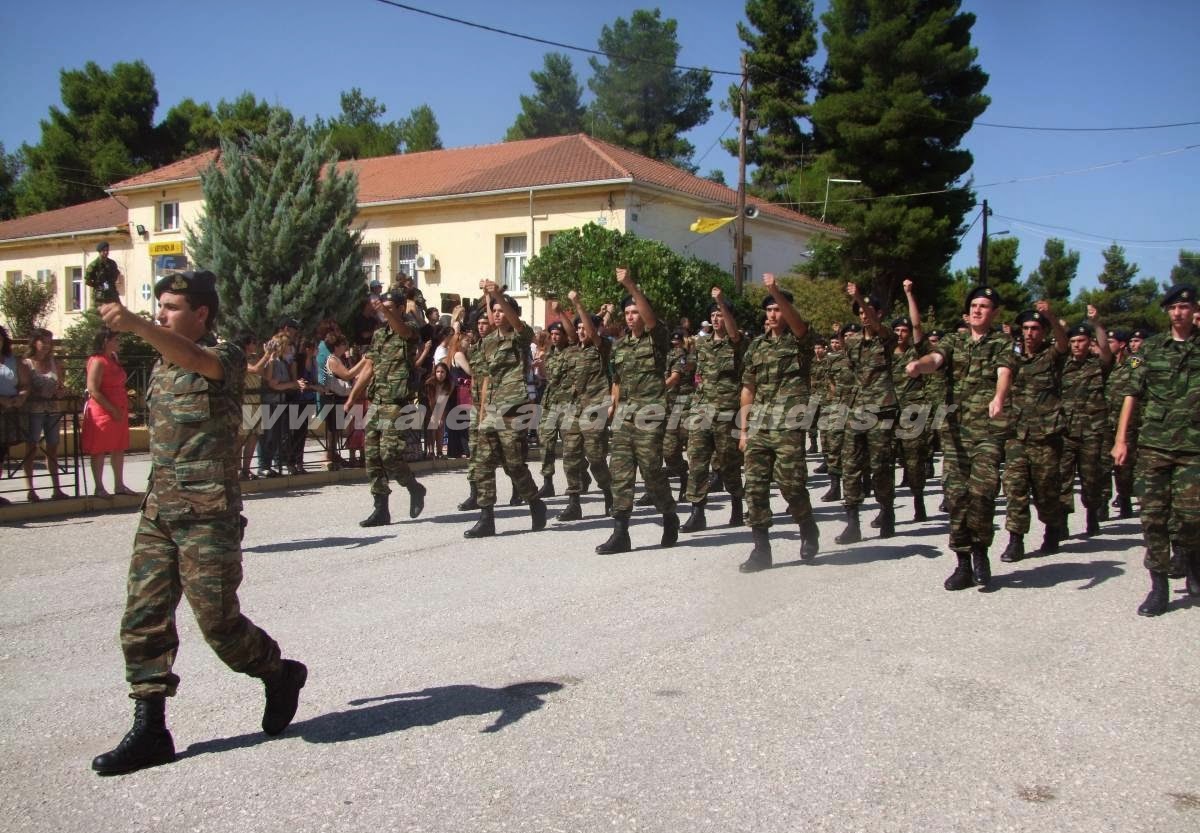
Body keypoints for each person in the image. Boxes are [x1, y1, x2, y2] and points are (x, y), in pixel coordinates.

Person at [91, 271, 306, 776]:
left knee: (220, 626)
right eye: (159, 306)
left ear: (201, 313)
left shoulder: (223, 356)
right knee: (142, 619)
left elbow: (196, 359)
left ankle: (279, 673)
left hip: (208, 516)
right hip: (159, 513)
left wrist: (136, 324)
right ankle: (151, 729)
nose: (161, 314)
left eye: (171, 307)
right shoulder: (161, 366)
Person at [905, 286, 1011, 590]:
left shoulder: (1002, 342)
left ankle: (980, 550)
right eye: (974, 305)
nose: (977, 310)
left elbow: (1004, 372)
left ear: (994, 313)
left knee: (982, 494)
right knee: (956, 497)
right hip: (954, 434)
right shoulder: (955, 340)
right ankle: (963, 562)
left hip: (986, 431)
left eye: (984, 306)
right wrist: (919, 366)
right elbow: (936, 358)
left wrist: (999, 397)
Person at [1112, 284, 1200, 616]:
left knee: (1192, 516)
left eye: (1185, 307)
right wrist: (1121, 439)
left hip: (1193, 446)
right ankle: (1159, 586)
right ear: (1167, 312)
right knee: (1153, 518)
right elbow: (1131, 393)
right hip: (1154, 445)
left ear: (1195, 310)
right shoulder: (1148, 350)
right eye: (1173, 308)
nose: (1178, 313)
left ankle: (1192, 559)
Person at [737, 273, 819, 572]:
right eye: (769, 309)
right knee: (755, 488)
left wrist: (775, 290)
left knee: (791, 485)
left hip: (788, 425)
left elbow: (800, 326)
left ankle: (807, 525)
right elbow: (748, 389)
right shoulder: (756, 347)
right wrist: (743, 430)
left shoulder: (799, 341)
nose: (773, 314)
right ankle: (761, 550)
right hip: (759, 424)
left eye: (778, 309)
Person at [595, 267, 679, 554]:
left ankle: (669, 514)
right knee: (620, 473)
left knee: (652, 471)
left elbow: (652, 320)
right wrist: (612, 406)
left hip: (649, 416)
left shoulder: (657, 339)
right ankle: (621, 533)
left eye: (635, 311)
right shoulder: (619, 347)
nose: (631, 316)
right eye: (627, 313)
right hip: (624, 417)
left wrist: (630, 285)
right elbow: (617, 381)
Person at [463, 282, 547, 537]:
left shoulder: (520, 337)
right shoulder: (487, 342)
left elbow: (518, 325)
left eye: (502, 310)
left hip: (514, 409)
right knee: (483, 463)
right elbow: (483, 378)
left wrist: (496, 295)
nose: (497, 314)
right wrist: (481, 413)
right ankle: (486, 517)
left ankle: (535, 502)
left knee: (514, 465)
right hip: (492, 410)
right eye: (495, 311)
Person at [349, 283, 427, 527]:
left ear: (401, 308)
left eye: (390, 307)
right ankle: (381, 508)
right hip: (378, 400)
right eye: (383, 307)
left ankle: (413, 487)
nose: (384, 311)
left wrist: (386, 311)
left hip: (397, 401)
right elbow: (369, 367)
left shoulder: (410, 328)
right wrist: (352, 397)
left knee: (390, 454)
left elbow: (403, 331)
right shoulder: (379, 334)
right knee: (372, 456)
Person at [997, 301, 1069, 563]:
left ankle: (1052, 528)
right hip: (1017, 434)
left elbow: (1063, 343)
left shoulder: (1052, 356)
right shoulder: (1011, 358)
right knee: (1015, 488)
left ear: (1044, 331)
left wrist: (1052, 316)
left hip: (1046, 436)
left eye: (1035, 328)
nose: (1030, 333)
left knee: (1046, 490)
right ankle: (1016, 540)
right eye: (1026, 328)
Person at [680, 287, 746, 532]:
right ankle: (697, 512)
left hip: (727, 412)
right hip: (702, 411)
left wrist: (721, 301)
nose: (716, 318)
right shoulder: (702, 344)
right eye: (713, 315)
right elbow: (696, 372)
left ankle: (737, 503)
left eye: (721, 314)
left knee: (728, 463)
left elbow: (734, 335)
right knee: (697, 461)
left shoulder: (737, 342)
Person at [837, 282, 899, 542]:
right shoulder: (852, 343)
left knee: (880, 465)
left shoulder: (887, 337)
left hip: (881, 409)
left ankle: (886, 511)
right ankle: (853, 522)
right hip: (856, 410)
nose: (863, 315)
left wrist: (859, 297)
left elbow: (877, 327)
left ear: (879, 313)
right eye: (860, 312)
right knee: (850, 466)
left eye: (868, 311)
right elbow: (849, 374)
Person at [555, 293, 614, 522]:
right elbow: (570, 331)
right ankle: (574, 503)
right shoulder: (572, 350)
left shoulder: (601, 348)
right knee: (570, 456)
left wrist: (578, 303)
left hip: (594, 409)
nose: (580, 331)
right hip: (573, 409)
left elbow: (592, 332)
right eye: (578, 328)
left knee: (596, 457)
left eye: (584, 328)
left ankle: (609, 494)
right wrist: (561, 312)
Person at [1059, 307, 1114, 537]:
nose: (1076, 345)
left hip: (1092, 431)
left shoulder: (1097, 365)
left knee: (1091, 478)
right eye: (1073, 341)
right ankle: (1061, 522)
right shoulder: (1062, 366)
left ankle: (1092, 513)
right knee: (1062, 478)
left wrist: (1097, 323)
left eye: (1080, 341)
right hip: (1066, 431)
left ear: (1089, 342)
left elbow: (1106, 351)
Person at [82, 328, 135, 497]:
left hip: (119, 408)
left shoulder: (113, 358)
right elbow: (93, 389)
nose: (119, 343)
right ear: (106, 341)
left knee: (118, 447)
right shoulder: (97, 361)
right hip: (103, 410)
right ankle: (99, 487)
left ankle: (119, 485)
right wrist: (111, 409)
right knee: (99, 449)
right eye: (116, 340)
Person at [21, 328, 70, 501]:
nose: (47, 346)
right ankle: (30, 489)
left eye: (50, 342)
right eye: (44, 342)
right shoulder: (27, 364)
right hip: (34, 410)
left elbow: (61, 385)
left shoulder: (55, 363)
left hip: (53, 409)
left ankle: (56, 488)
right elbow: (24, 387)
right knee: (31, 448)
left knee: (53, 448)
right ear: (35, 342)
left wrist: (60, 392)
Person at [0, 325, 31, 502]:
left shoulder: (13, 361)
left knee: (1, 452)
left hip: (8, 413)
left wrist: (22, 396)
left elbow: (25, 384)